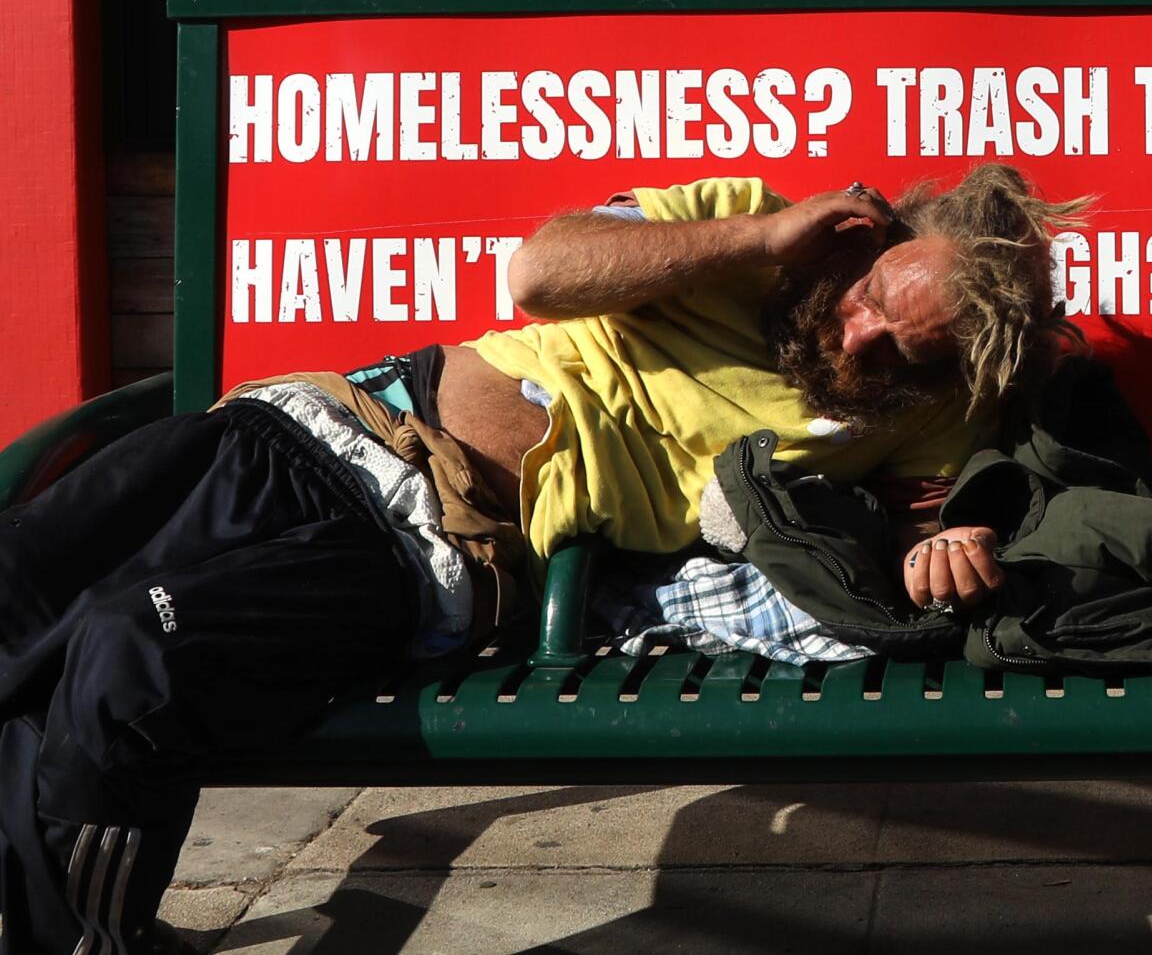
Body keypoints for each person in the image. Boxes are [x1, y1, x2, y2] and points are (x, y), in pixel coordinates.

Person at [0, 163, 1085, 955]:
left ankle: (84, 941)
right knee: (15, 585)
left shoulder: (921, 410)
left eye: (905, 348)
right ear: (871, 234)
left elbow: (963, 510)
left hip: (422, 542)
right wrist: (763, 238)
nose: (859, 340)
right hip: (306, 422)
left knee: (132, 652)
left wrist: (954, 534)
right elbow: (540, 270)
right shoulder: (739, 222)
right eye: (870, 300)